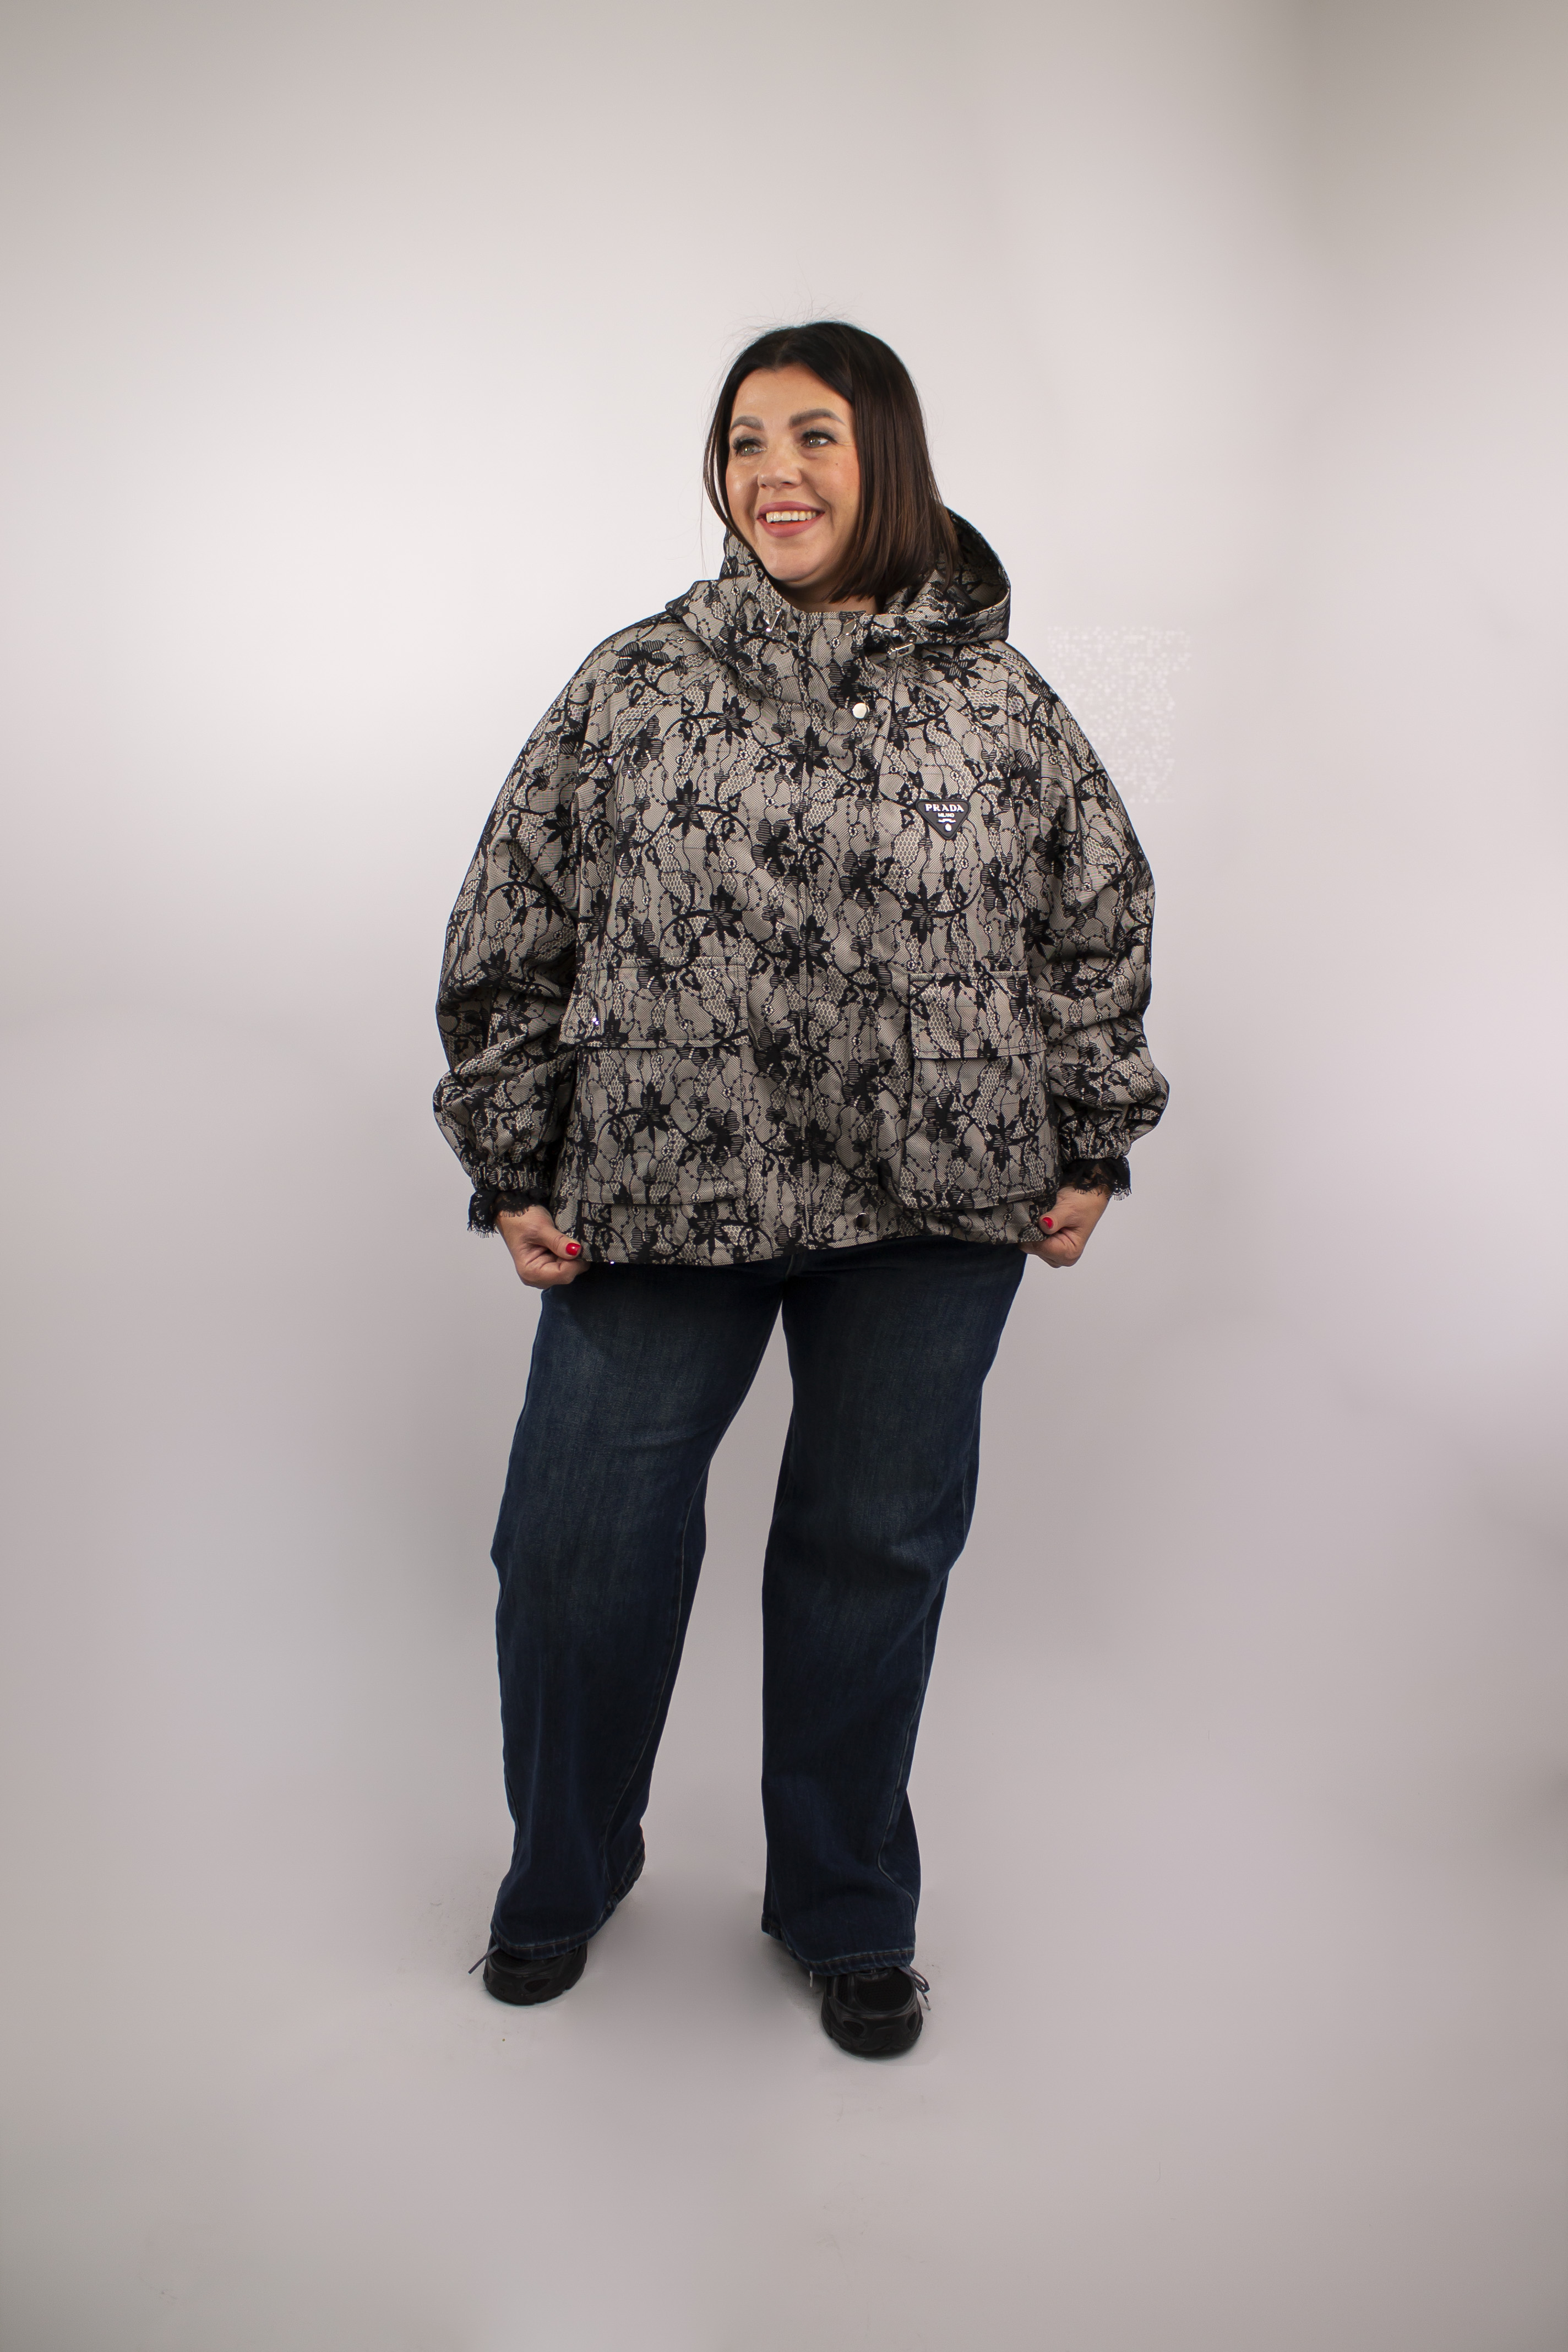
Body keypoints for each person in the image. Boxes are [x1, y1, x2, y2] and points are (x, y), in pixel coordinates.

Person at [433, 321, 1167, 2057]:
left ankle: (845, 1903)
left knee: (871, 1555)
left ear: (883, 458)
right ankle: (564, 1868)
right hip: (659, 1192)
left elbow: (1095, 925)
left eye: (815, 435)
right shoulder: (634, 684)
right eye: (746, 438)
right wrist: (511, 1154)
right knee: (578, 1546)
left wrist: (1090, 1138)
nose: (774, 471)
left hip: (937, 1206)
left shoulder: (1001, 702)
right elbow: (512, 925)